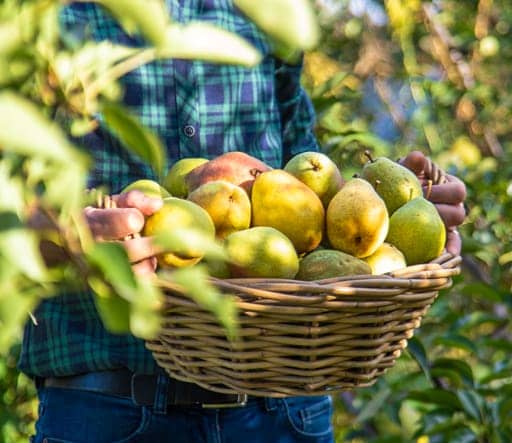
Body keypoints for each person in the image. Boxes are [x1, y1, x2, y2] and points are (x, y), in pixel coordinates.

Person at [22, 3, 466, 442]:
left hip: (281, 408)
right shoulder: (38, 13)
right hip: (105, 406)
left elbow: (309, 181)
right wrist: (64, 236)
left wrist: (401, 204)